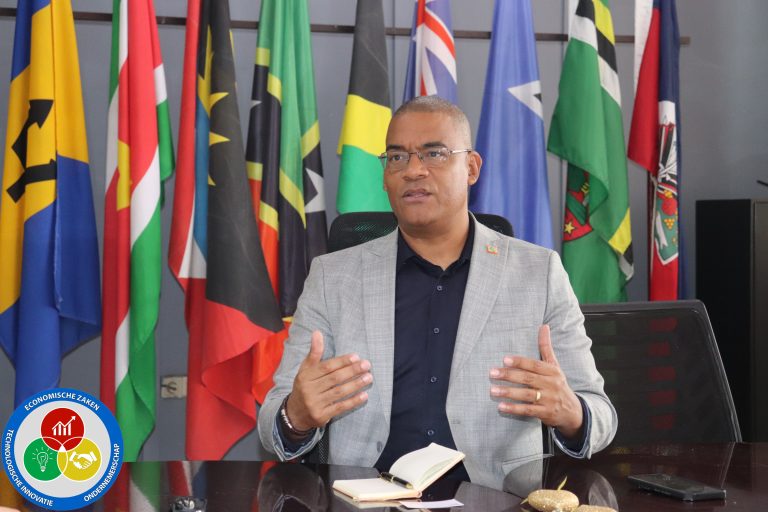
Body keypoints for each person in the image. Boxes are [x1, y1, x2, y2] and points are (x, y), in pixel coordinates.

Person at [258, 96, 617, 485]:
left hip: (497, 498)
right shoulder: (332, 277)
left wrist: (570, 412)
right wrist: (296, 416)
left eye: (434, 153)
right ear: (385, 175)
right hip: (366, 500)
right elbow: (272, 421)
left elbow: (601, 417)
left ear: (471, 167)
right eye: (397, 157)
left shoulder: (538, 272)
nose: (413, 170)